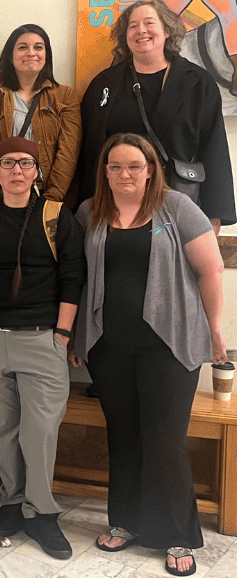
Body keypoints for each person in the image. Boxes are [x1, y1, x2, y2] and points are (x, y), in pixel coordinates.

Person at [72, 132, 227, 577]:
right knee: (123, 435)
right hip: (110, 347)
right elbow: (80, 279)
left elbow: (211, 269)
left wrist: (216, 331)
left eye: (134, 166)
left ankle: (178, 534)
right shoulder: (90, 212)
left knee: (165, 440)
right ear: (104, 171)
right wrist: (80, 337)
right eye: (116, 166)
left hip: (169, 346)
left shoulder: (176, 208)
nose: (125, 174)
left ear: (151, 169)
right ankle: (127, 521)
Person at [0, 137, 85, 560]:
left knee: (40, 430)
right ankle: (13, 500)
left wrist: (62, 335)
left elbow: (72, 275)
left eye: (25, 163)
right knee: (1, 430)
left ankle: (41, 511)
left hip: (39, 338)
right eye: (8, 163)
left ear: (36, 171)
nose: (16, 170)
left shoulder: (56, 216)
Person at [78, 0, 236, 229]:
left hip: (176, 206)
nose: (141, 30)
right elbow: (90, 153)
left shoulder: (198, 83)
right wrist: (83, 211)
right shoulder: (104, 84)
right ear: (125, 36)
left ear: (167, 30)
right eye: (132, 26)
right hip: (115, 209)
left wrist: (214, 217)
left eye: (149, 23)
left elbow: (214, 151)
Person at [0, 24, 81, 201]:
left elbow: (68, 152)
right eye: (22, 47)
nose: (31, 53)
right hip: (5, 192)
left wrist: (52, 198)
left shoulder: (65, 96)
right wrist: (0, 191)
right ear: (10, 56)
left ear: (46, 55)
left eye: (38, 47)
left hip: (46, 192)